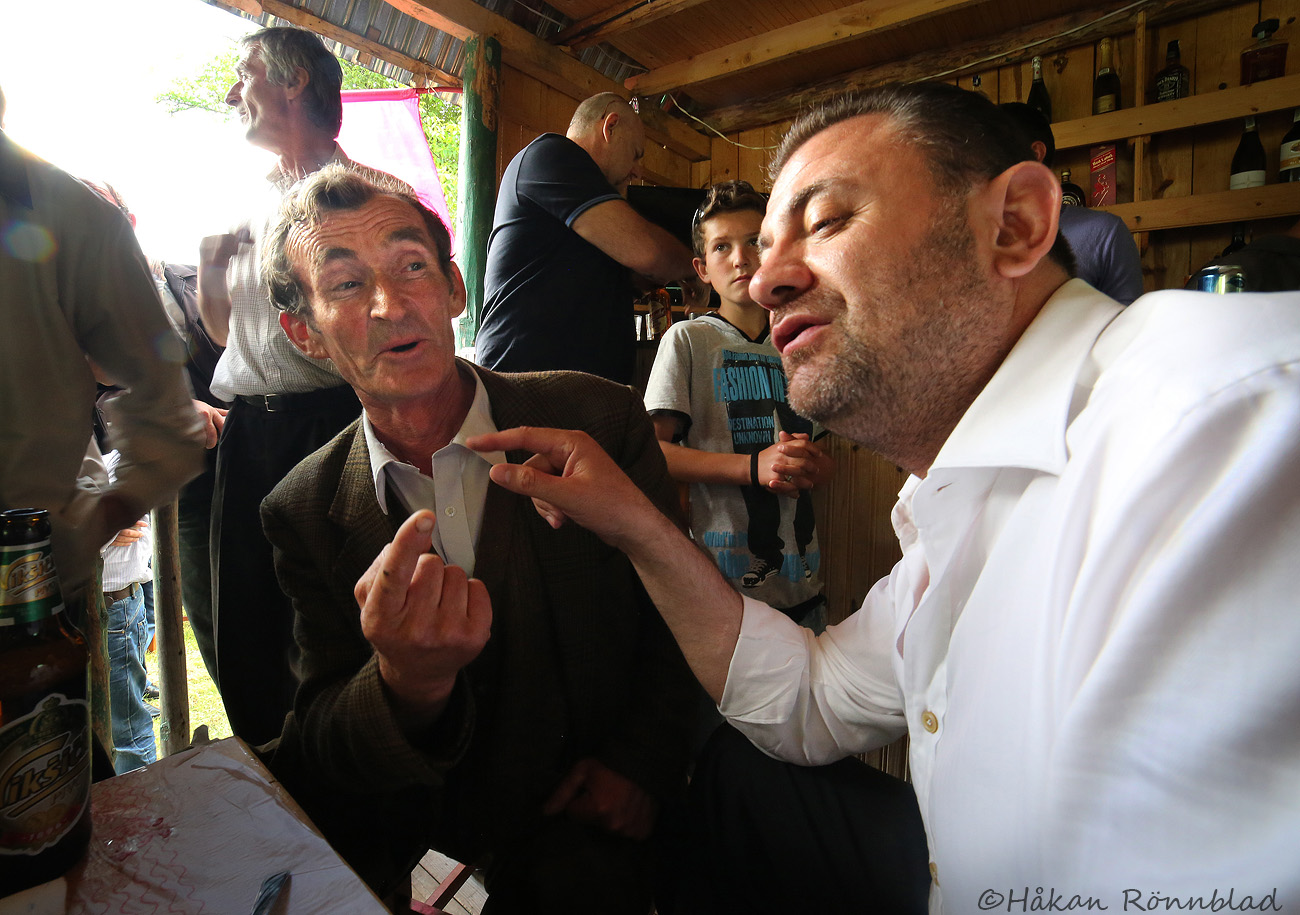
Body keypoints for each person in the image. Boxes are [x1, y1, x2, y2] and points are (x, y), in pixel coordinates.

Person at [471, 83, 1300, 912]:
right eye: (760, 247)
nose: (766, 279)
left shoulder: (1225, 413)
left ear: (1014, 224)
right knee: (736, 778)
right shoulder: (957, 497)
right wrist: (636, 522)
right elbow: (810, 695)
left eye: (827, 221)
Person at [256, 164, 697, 912]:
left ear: (455, 288)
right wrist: (405, 682)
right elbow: (321, 738)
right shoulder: (302, 508)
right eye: (347, 285)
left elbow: (678, 600)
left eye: (411, 267)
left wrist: (642, 763)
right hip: (429, 854)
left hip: (601, 838)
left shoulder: (600, 419)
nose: (392, 305)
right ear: (305, 333)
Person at [198, 26, 379, 744]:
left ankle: (348, 771)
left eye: (244, 72)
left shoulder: (365, 197)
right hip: (249, 431)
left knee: (338, 617)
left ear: (294, 80)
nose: (231, 93)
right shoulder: (247, 201)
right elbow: (224, 334)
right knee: (243, 619)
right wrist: (213, 268)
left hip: (332, 424)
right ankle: (266, 775)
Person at [0, 84, 204, 598]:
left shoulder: (69, 211)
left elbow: (162, 404)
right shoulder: (68, 208)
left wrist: (86, 524)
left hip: (23, 575)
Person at [644, 180, 832, 627]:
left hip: (804, 589)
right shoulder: (687, 340)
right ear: (702, 268)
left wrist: (808, 466)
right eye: (721, 247)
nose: (741, 258)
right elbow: (655, 453)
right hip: (719, 594)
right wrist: (753, 467)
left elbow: (825, 463)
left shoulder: (801, 344)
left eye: (754, 242)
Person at [476, 92, 694, 384]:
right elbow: (649, 253)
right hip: (528, 386)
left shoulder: (590, 208)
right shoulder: (552, 153)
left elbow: (631, 278)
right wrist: (696, 268)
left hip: (583, 390)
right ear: (610, 126)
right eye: (635, 153)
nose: (637, 170)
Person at [1001, 101, 1144, 304]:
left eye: (993, 148)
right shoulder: (981, 233)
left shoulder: (1106, 233)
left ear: (1035, 153)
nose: (981, 162)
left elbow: (1130, 321)